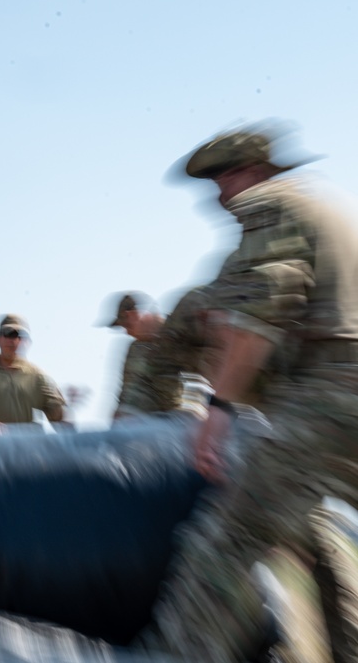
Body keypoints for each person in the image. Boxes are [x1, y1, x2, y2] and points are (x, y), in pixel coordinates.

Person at [140, 124, 358, 661]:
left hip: (332, 392)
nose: (220, 197)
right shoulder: (327, 206)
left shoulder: (269, 204)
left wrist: (218, 409)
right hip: (337, 398)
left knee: (232, 537)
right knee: (315, 540)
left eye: (222, 180)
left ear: (251, 173)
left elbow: (261, 308)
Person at [0, 314, 67, 429]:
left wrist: (65, 409)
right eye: (9, 334)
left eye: (20, 335)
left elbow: (59, 418)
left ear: (27, 342)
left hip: (25, 446)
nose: (14, 340)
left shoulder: (38, 377)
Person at [102, 291, 180, 419]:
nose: (127, 332)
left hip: (186, 418)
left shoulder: (182, 332)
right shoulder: (136, 350)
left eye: (127, 326)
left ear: (133, 315)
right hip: (149, 422)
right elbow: (126, 393)